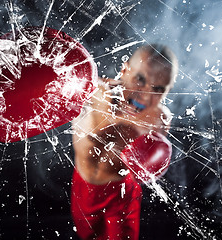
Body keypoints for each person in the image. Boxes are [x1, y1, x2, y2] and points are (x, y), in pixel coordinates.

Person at [70, 44, 178, 240]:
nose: (146, 95)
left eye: (159, 89)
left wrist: (149, 165)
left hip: (121, 195)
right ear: (125, 69)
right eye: (141, 79)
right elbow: (90, 137)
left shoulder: (157, 120)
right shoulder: (94, 93)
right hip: (83, 189)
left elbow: (146, 170)